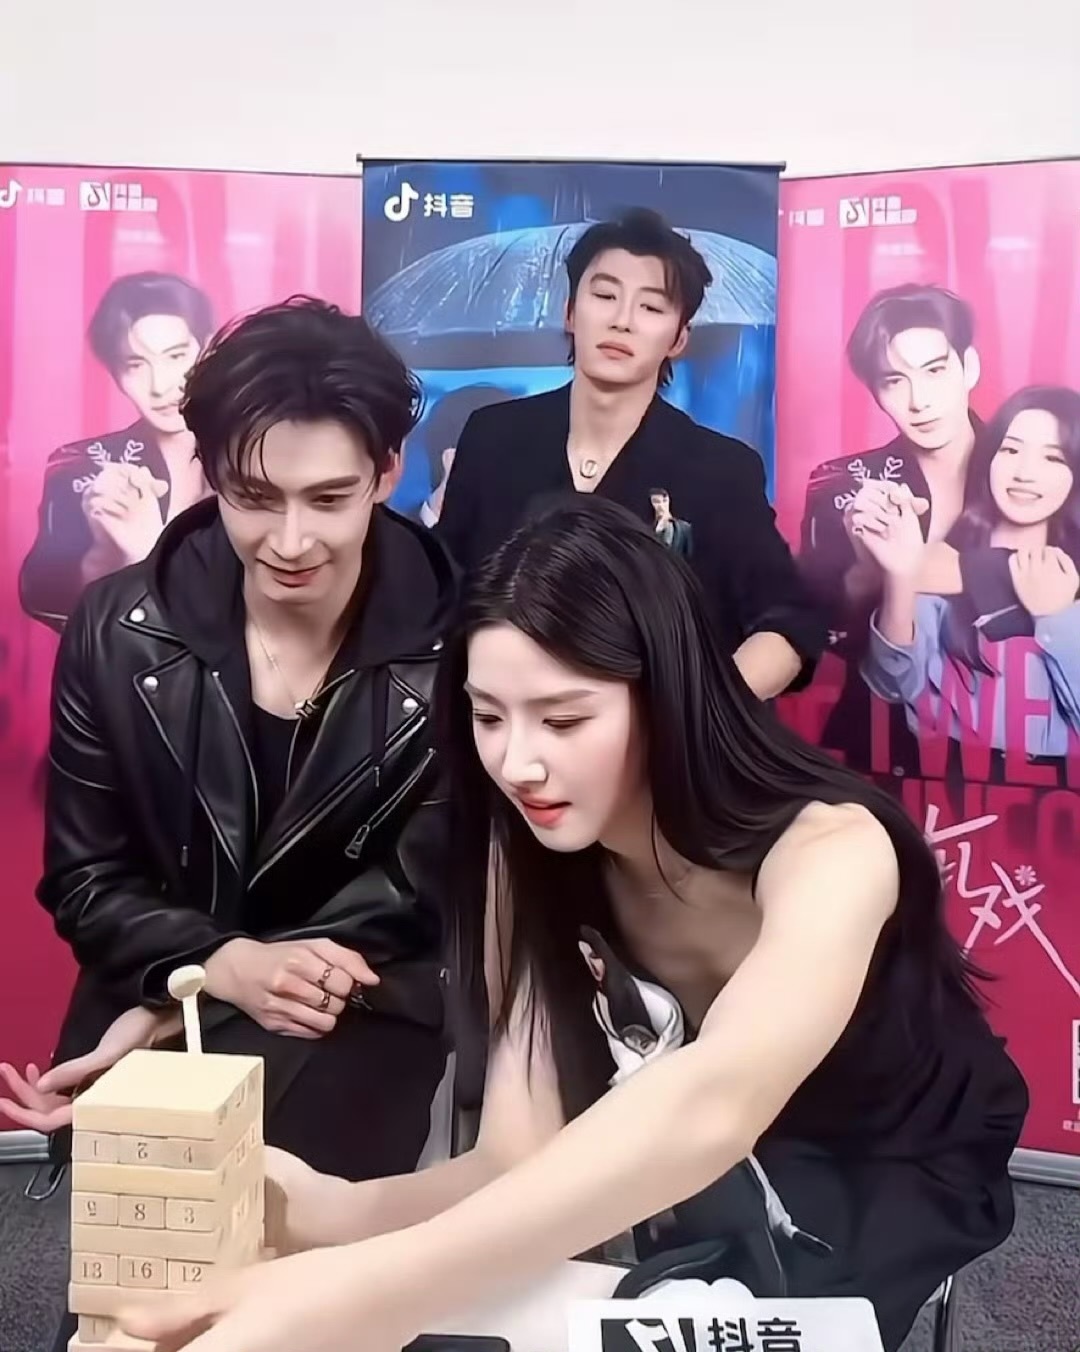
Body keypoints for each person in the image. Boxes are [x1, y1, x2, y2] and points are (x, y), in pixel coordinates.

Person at [118, 497, 1027, 1352]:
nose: (519, 763)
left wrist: (361, 1292)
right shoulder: (529, 854)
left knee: (696, 1305)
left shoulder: (834, 847)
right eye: (487, 717)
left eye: (564, 719)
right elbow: (512, 1162)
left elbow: (715, 1103)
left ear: (665, 696)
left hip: (883, 1153)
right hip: (692, 1148)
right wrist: (327, 1211)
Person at [2, 297, 455, 1191]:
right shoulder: (119, 625)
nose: (290, 541)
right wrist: (211, 969)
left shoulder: (465, 638)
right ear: (207, 471)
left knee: (283, 1229)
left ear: (387, 471)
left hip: (360, 999)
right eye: (253, 497)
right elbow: (88, 879)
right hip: (159, 978)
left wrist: (216, 994)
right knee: (138, 1261)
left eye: (329, 499)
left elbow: (423, 890)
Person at [436, 208, 825, 700]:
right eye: (604, 296)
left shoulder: (720, 470)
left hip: (656, 740)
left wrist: (701, 714)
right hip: (507, 724)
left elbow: (789, 620)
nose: (622, 321)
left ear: (679, 338)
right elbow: (443, 592)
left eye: (651, 307)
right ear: (570, 312)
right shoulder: (493, 437)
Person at [797, 284, 983, 768]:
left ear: (969, 367)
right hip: (884, 742)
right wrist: (865, 573)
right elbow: (816, 635)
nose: (919, 400)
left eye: (935, 370)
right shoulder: (841, 485)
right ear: (875, 392)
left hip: (1018, 742)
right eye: (894, 381)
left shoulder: (1036, 474)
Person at [859, 385, 1080, 766]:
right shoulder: (937, 566)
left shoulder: (1068, 581)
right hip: (942, 788)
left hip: (1054, 797)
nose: (1025, 473)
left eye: (1053, 457)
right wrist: (902, 576)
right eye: (1011, 450)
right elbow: (890, 685)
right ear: (989, 457)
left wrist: (1057, 619)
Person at [19, 272, 216, 632]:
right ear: (115, 374)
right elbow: (40, 595)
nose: (160, 385)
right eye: (135, 365)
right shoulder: (80, 467)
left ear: (206, 349)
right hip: (126, 664)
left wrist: (147, 554)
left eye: (176, 356)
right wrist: (104, 555)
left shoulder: (254, 455)